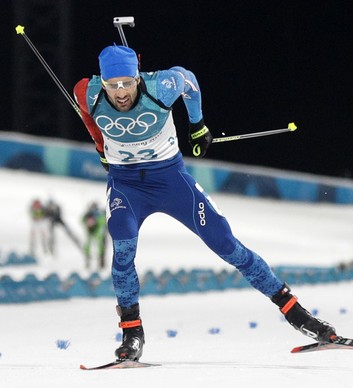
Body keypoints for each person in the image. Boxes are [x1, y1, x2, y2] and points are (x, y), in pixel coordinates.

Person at [73, 45, 337, 361]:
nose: (120, 93)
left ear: (137, 76)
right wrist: (102, 148)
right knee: (123, 250)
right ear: (102, 82)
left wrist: (197, 126)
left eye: (127, 83)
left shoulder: (161, 85)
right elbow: (89, 117)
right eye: (112, 85)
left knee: (226, 244)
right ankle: (132, 334)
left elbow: (190, 81)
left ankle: (297, 315)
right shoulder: (86, 92)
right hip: (126, 186)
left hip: (171, 180)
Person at [81, 201, 108, 271]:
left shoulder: (98, 214)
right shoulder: (88, 214)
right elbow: (82, 220)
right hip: (91, 231)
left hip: (97, 230)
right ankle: (88, 260)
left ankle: (101, 261)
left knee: (100, 245)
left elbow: (102, 222)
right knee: (88, 245)